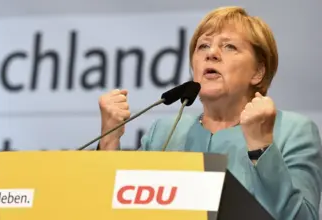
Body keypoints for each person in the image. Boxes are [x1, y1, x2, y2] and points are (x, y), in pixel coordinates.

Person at [97, 6, 322, 220]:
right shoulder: (165, 132)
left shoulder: (292, 131)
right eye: (203, 46)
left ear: (258, 72)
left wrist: (262, 146)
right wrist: (109, 138)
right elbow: (114, 210)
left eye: (229, 46)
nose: (211, 53)